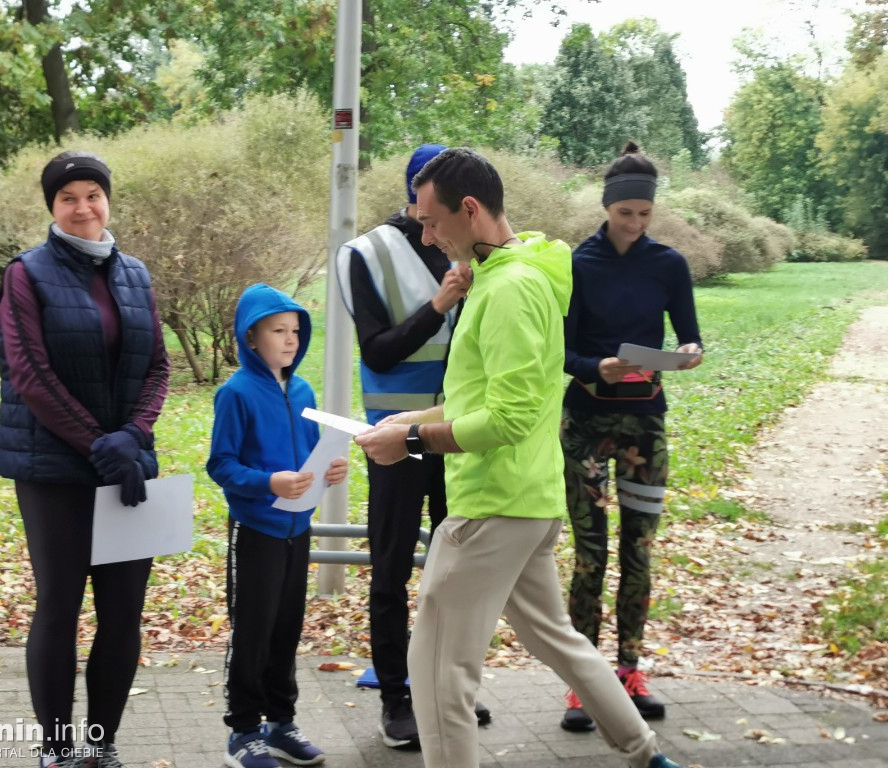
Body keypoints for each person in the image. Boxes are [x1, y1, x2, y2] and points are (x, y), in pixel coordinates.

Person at [355, 147, 683, 768]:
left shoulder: (508, 289)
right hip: (525, 502)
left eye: (430, 221)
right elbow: (493, 398)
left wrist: (413, 443)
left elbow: (506, 419)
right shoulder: (510, 276)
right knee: (562, 642)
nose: (426, 235)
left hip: (491, 508)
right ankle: (647, 755)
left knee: (436, 675)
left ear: (469, 209)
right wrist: (411, 419)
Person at [0, 151, 170, 768]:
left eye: (93, 194)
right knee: (60, 605)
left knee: (123, 612)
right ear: (52, 207)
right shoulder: (27, 274)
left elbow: (157, 366)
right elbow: (31, 375)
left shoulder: (137, 275)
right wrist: (100, 442)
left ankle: (103, 744)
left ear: (108, 200)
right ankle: (56, 749)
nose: (83, 207)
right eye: (68, 196)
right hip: (53, 470)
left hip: (125, 464)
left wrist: (134, 434)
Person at [335, 143, 487, 748]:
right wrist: (440, 303)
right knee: (391, 569)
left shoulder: (473, 247)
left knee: (457, 572)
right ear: (414, 199)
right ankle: (397, 698)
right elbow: (378, 351)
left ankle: (447, 695)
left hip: (457, 436)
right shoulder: (365, 253)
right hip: (397, 441)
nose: (434, 224)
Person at [559, 140, 704, 732]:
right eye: (626, 214)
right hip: (587, 424)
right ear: (607, 207)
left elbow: (690, 336)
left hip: (646, 423)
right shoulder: (576, 263)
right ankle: (583, 684)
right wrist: (596, 368)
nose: (636, 224)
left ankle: (628, 672)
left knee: (639, 551)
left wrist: (690, 354)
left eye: (645, 214)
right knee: (591, 555)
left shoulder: (668, 264)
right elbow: (558, 350)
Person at [207, 283, 349, 768]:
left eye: (295, 331)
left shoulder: (304, 390)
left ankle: (281, 724)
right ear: (252, 337)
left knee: (287, 627)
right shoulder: (235, 393)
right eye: (278, 331)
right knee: (253, 631)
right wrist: (270, 482)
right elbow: (221, 466)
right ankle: (243, 732)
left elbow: (312, 452)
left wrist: (331, 471)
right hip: (256, 531)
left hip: (297, 530)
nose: (290, 340)